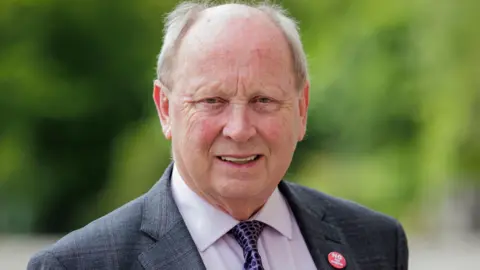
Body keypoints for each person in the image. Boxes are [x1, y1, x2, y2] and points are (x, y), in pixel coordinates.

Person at [28, 1, 409, 270]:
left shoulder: (374, 243)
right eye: (212, 100)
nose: (240, 129)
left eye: (263, 100)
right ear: (165, 108)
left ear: (301, 108)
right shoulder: (80, 265)